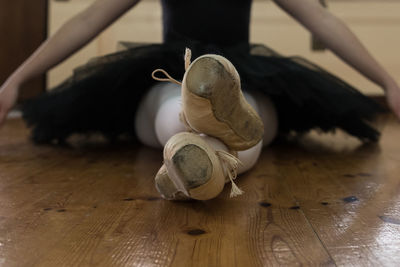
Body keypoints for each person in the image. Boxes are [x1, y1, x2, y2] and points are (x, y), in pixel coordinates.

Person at [0, 0, 399, 200]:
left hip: (236, 73)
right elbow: (88, 21)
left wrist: (388, 83)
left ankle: (196, 149)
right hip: (179, 68)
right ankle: (207, 142)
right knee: (183, 109)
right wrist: (15, 81)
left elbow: (322, 19)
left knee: (185, 114)